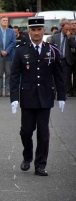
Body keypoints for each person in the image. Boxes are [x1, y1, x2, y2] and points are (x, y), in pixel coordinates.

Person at [10, 17, 66, 176]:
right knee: (26, 131)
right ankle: (27, 156)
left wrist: (61, 96)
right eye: (33, 30)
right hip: (27, 97)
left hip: (45, 97)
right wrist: (14, 98)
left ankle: (40, 164)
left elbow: (59, 75)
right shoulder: (21, 50)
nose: (36, 33)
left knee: (43, 133)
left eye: (39, 29)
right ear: (29, 31)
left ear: (43, 30)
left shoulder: (52, 49)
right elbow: (14, 76)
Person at [50, 22, 76, 97]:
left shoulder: (70, 37)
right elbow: (51, 47)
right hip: (57, 60)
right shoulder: (55, 37)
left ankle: (63, 94)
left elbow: (74, 45)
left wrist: (69, 37)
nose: (67, 31)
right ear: (62, 29)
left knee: (65, 78)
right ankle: (54, 93)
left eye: (69, 29)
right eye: (66, 29)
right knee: (54, 77)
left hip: (66, 60)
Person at [0, 16, 16, 97]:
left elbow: (13, 42)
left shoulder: (11, 31)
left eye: (6, 20)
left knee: (8, 73)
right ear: (0, 22)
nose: (5, 22)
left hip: (9, 55)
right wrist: (0, 51)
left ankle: (7, 90)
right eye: (3, 20)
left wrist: (7, 51)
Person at [70, 20, 76, 96]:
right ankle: (69, 90)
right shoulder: (67, 34)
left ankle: (75, 89)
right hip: (69, 56)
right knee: (68, 74)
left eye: (75, 24)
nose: (74, 25)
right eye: (72, 24)